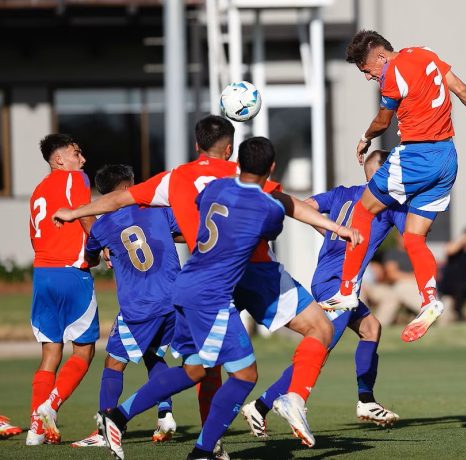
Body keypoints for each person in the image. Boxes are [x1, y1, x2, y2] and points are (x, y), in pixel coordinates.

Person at [53, 120, 358, 449]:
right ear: (232, 151)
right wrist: (333, 227)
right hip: (245, 275)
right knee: (314, 334)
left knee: (199, 369)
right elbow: (287, 207)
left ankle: (144, 424)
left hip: (195, 280)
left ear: (197, 145)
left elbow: (118, 200)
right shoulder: (242, 181)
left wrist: (74, 212)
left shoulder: (178, 178)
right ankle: (291, 398)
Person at [95, 137, 286, 460]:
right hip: (209, 296)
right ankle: (200, 447)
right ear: (270, 168)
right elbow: (270, 228)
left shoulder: (209, 191)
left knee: (194, 369)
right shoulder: (265, 206)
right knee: (245, 374)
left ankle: (119, 416)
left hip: (184, 290)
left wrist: (76, 214)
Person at [321, 30, 466, 344]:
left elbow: (384, 121)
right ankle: (429, 299)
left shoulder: (392, 75)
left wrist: (364, 138)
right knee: (414, 236)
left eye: (368, 70)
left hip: (416, 155)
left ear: (380, 57)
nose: (370, 77)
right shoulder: (424, 53)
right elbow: (460, 87)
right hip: (447, 158)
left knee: (362, 209)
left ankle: (346, 291)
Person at [241, 150, 402, 438]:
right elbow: (415, 229)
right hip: (336, 283)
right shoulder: (385, 205)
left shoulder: (344, 193)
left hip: (330, 280)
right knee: (319, 346)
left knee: (371, 328)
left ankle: (366, 400)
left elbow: (303, 206)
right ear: (381, 174)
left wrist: (329, 230)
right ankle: (262, 406)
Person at [71, 164, 181, 448]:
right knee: (153, 356)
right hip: (174, 299)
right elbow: (180, 231)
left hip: (140, 307)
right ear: (126, 187)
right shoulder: (156, 209)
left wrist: (108, 248)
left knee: (114, 363)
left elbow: (91, 256)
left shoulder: (103, 226)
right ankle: (166, 413)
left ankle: (106, 427)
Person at [27, 134, 99, 446]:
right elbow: (84, 214)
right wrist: (102, 247)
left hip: (42, 274)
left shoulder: (37, 191)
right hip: (71, 273)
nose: (82, 160)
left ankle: (36, 431)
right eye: (76, 153)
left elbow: (34, 235)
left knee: (50, 352)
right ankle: (50, 407)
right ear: (60, 160)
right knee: (84, 350)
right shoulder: (75, 178)